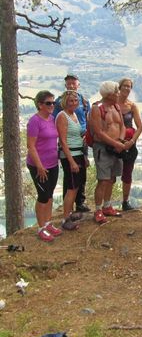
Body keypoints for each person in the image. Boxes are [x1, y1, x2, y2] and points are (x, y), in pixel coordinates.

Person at [90, 81, 129, 224]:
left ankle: (107, 206)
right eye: (116, 92)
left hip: (116, 147)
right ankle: (98, 210)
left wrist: (120, 141)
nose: (119, 94)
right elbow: (98, 132)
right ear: (109, 94)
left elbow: (122, 126)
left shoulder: (116, 107)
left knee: (112, 178)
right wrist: (116, 144)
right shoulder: (97, 108)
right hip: (103, 148)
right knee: (103, 180)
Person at [26, 91, 62, 242]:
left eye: (53, 103)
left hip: (53, 163)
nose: (52, 105)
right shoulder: (35, 121)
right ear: (40, 104)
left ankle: (47, 223)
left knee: (50, 194)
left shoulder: (52, 119)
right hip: (39, 166)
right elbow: (31, 146)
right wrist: (39, 166)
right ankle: (41, 228)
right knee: (42, 196)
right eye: (48, 103)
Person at [53, 74, 91, 212]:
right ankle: (67, 213)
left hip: (81, 143)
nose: (71, 86)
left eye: (73, 83)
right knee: (71, 182)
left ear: (78, 84)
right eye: (68, 84)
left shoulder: (84, 102)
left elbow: (88, 119)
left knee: (80, 177)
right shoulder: (59, 106)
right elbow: (60, 133)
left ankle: (80, 203)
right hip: (69, 147)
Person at [55, 91, 87, 231]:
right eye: (70, 101)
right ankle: (65, 218)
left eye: (75, 100)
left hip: (78, 153)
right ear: (64, 102)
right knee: (72, 187)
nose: (74, 103)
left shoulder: (74, 115)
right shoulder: (62, 116)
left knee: (77, 185)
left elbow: (77, 135)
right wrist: (71, 161)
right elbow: (62, 140)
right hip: (70, 155)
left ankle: (70, 214)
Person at [117, 78, 142, 211]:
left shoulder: (132, 106)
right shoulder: (112, 103)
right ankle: (106, 204)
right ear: (119, 87)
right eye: (125, 86)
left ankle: (125, 201)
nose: (127, 89)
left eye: (129, 87)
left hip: (129, 143)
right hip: (113, 142)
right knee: (109, 175)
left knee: (127, 173)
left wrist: (132, 141)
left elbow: (139, 127)